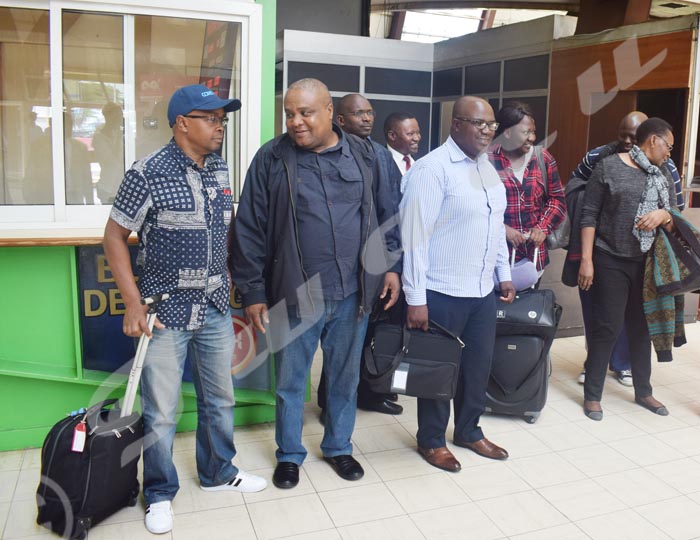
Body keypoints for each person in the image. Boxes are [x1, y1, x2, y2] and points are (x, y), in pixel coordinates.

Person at [103, 84, 266, 535]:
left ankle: (217, 472)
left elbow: (224, 230)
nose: (220, 126)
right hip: (164, 313)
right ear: (182, 123)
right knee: (161, 411)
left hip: (214, 307)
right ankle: (157, 492)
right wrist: (133, 303)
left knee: (220, 399)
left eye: (223, 119)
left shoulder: (219, 168)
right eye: (211, 118)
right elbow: (114, 237)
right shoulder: (147, 172)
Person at [229, 78, 402, 490]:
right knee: (290, 381)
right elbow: (249, 228)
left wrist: (392, 267)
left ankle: (339, 446)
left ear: (329, 111)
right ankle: (289, 454)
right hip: (295, 292)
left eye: (305, 113)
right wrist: (253, 291)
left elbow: (388, 214)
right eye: (289, 113)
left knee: (344, 376)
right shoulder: (271, 159)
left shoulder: (369, 156)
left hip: (353, 292)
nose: (295, 122)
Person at [399, 96, 514, 473]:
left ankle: (468, 430)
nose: (486, 131)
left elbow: (495, 226)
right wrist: (415, 298)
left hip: (481, 291)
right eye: (478, 124)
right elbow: (414, 237)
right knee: (437, 370)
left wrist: (504, 274)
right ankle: (431, 440)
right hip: (440, 290)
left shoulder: (488, 169)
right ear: (456, 125)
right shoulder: (432, 170)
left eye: (491, 125)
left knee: (476, 368)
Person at [565, 111, 685, 387]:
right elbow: (579, 198)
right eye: (625, 136)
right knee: (603, 321)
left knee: (639, 325)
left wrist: (662, 215)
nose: (629, 142)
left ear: (647, 137)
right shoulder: (602, 160)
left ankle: (625, 368)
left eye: (634, 136)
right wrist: (585, 257)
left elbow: (675, 213)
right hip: (606, 255)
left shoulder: (667, 169)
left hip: (647, 260)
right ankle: (594, 378)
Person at [315, 93, 404, 416]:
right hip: (338, 270)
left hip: (375, 265)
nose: (367, 119)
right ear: (340, 119)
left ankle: (368, 392)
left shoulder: (380, 155)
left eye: (369, 113)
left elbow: (390, 211)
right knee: (340, 345)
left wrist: (392, 265)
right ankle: (331, 402)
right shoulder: (325, 154)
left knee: (370, 337)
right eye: (358, 114)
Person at [488, 101, 567, 279]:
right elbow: (476, 208)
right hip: (495, 259)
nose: (532, 138)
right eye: (525, 132)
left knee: (529, 306)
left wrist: (542, 228)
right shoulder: (487, 160)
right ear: (507, 132)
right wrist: (503, 229)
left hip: (534, 257)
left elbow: (557, 200)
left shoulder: (542, 158)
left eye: (533, 132)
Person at [93, 102, 125, 204]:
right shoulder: (99, 138)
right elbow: (110, 160)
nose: (120, 118)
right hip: (108, 186)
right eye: (118, 115)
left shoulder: (121, 135)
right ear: (109, 116)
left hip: (123, 186)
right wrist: (119, 137)